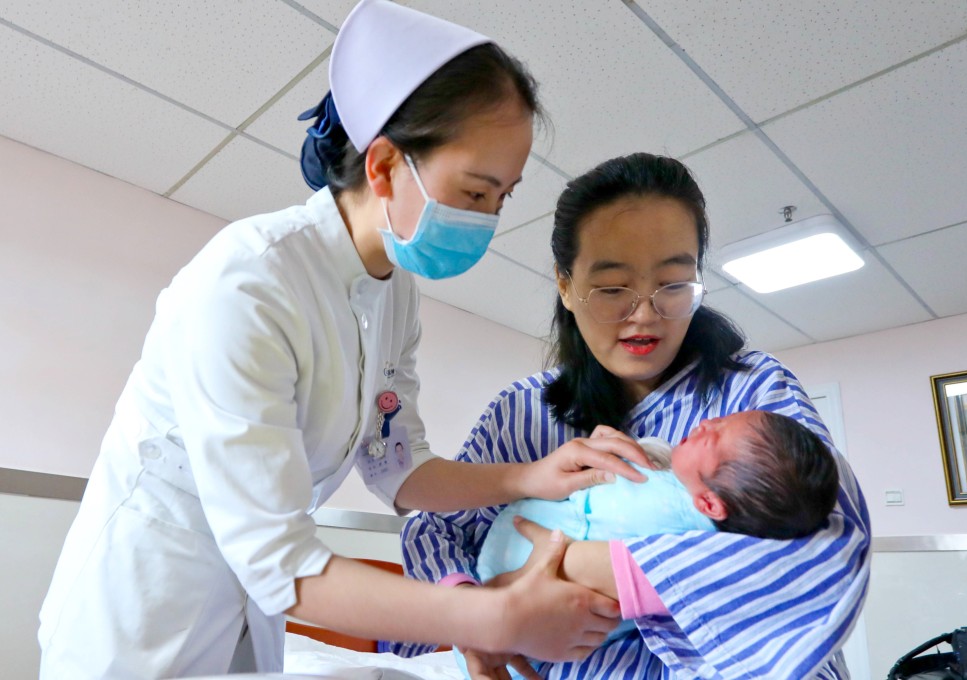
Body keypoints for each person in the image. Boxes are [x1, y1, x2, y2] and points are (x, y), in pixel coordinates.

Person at [36, 2, 652, 678]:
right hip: (141, 614)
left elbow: (399, 469)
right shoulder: (248, 282)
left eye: (503, 198)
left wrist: (529, 476)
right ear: (384, 166)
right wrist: (491, 617)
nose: (488, 219)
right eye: (476, 193)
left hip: (250, 611)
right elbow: (279, 557)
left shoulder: (393, 293)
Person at [397, 152, 871, 679]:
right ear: (565, 285)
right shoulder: (521, 412)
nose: (645, 314)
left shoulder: (756, 389)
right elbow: (434, 530)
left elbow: (830, 546)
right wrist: (472, 613)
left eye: (674, 284)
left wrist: (588, 567)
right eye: (612, 289)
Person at [456, 411, 839, 678]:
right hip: (504, 630)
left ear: (709, 505)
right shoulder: (705, 528)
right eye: (719, 419)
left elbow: (608, 489)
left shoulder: (669, 509)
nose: (706, 423)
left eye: (715, 435)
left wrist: (633, 455)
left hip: (506, 594)